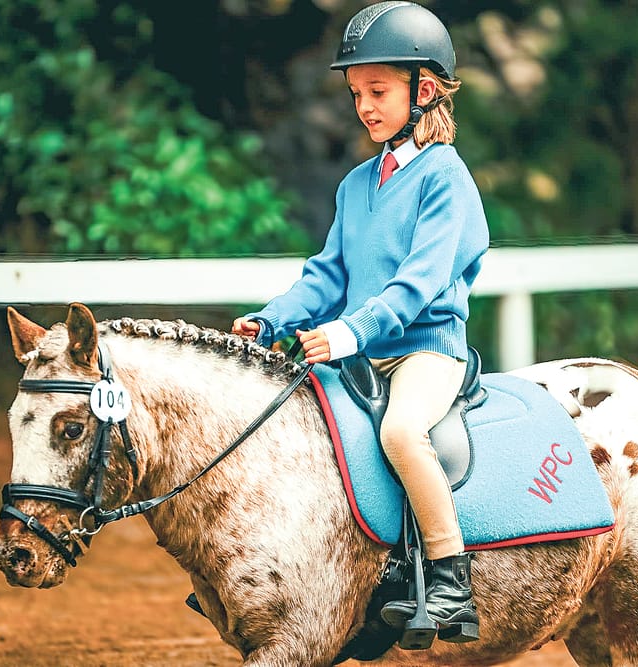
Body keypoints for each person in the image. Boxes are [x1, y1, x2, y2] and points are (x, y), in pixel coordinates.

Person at [232, 1, 488, 643]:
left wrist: (348, 332)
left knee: (401, 433)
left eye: (378, 91)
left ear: (423, 90)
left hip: (423, 351)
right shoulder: (355, 186)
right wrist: (271, 320)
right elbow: (326, 276)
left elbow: (419, 281)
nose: (365, 107)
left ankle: (449, 575)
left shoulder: (446, 180)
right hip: (359, 354)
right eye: (356, 94)